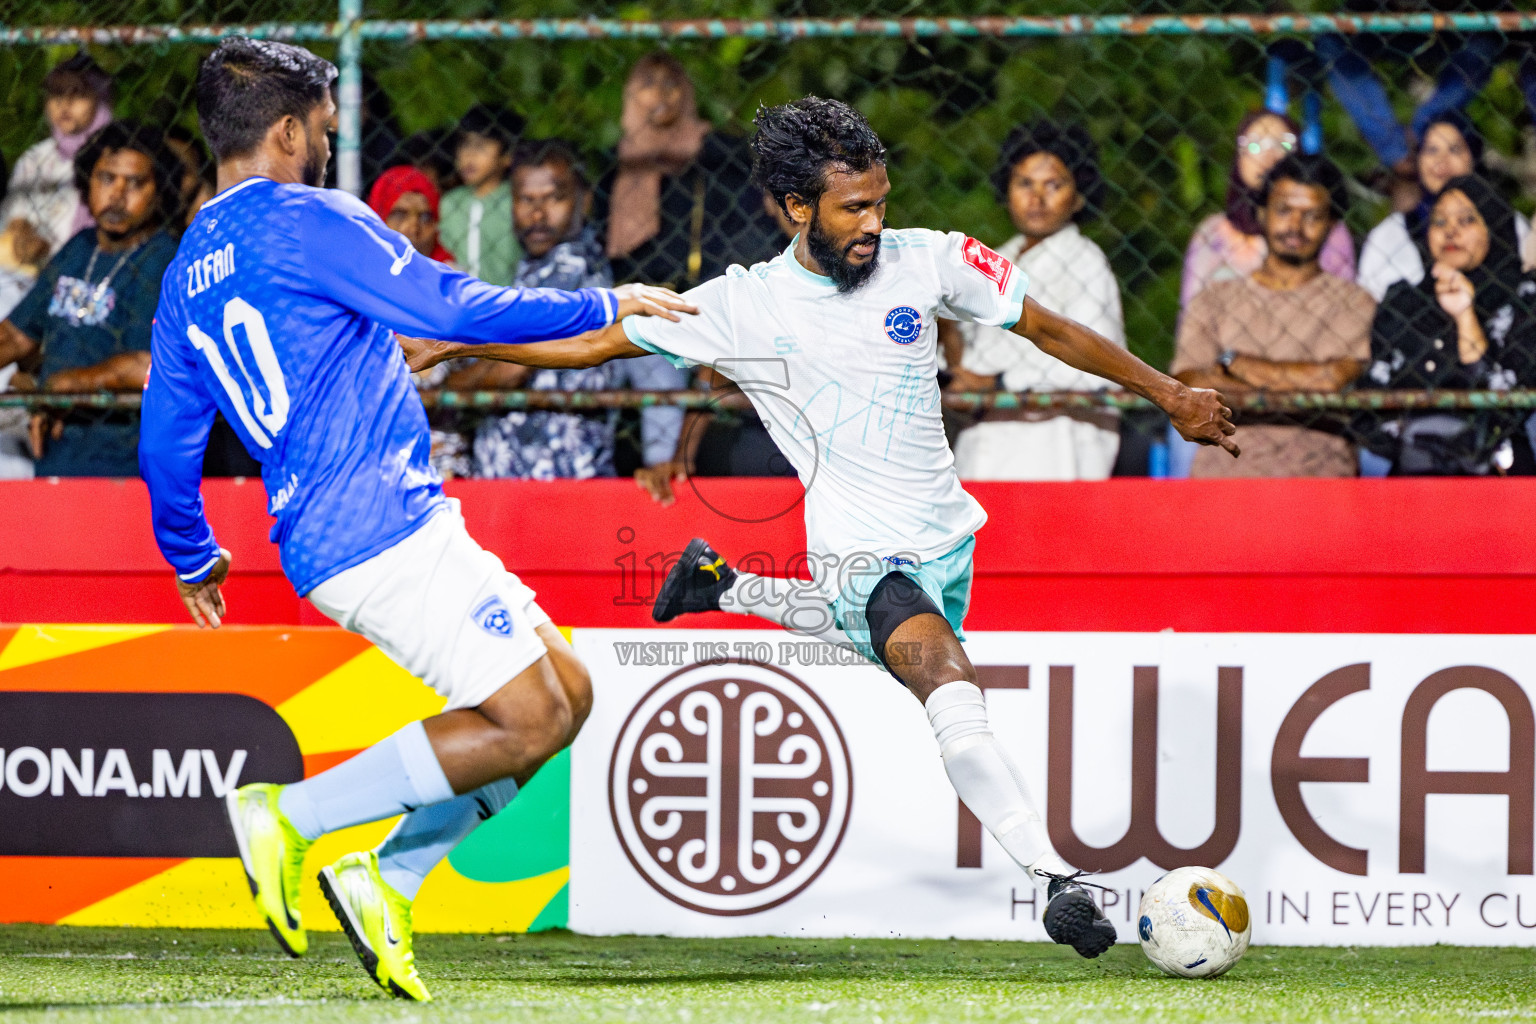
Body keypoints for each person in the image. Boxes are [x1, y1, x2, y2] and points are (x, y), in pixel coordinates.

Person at [402, 96, 1239, 962]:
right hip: (858, 553)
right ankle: (1055, 877)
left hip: (948, 538)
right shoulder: (744, 303)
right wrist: (458, 341)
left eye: (881, 202)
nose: (875, 223)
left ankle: (723, 586)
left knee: (879, 645)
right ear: (798, 208)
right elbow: (598, 339)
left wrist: (1169, 393)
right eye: (854, 208)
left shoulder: (935, 260)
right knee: (945, 684)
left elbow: (1051, 328)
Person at [139, 38, 690, 1001]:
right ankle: (293, 814)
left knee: (568, 691)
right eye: (320, 127)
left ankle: (384, 879)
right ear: (283, 129)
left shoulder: (187, 269)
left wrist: (193, 556)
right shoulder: (309, 219)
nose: (327, 141)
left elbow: (165, 444)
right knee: (525, 721)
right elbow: (448, 298)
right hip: (378, 524)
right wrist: (607, 301)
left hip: (344, 532)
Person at [447, 139, 685, 480]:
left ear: (583, 201)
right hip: (521, 479)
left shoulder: (571, 269)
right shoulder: (530, 270)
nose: (538, 214)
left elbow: (509, 370)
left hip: (558, 480)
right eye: (526, 200)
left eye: (554, 198)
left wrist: (446, 383)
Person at [1173, 154, 1375, 478]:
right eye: (1283, 211)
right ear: (1261, 214)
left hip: (1319, 475)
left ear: (1333, 225)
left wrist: (1235, 364)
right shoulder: (1214, 299)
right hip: (1223, 476)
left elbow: (1332, 381)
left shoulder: (1355, 303)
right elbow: (1191, 385)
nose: (1295, 226)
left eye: (1311, 215)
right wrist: (1298, 387)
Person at [945, 120, 1126, 480]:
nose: (1037, 198)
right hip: (984, 445)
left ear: (1079, 196)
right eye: (1024, 183)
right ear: (1006, 189)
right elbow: (964, 361)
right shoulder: (993, 260)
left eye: (1053, 185)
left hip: (1054, 447)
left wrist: (997, 383)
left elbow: (1094, 366)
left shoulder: (1086, 262)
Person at [0, 121, 181, 477]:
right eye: (106, 178)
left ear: (159, 192)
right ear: (87, 181)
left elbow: (152, 364)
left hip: (126, 459)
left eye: (135, 183)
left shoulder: (165, 259)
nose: (117, 195)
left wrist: (71, 383)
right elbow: (15, 336)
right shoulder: (79, 248)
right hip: (57, 454)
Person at [1364, 175, 1536, 475]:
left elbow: (1504, 405)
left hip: (1496, 470)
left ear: (1493, 227)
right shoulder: (1402, 302)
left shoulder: (1523, 299)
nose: (1450, 232)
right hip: (1416, 467)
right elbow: (1373, 399)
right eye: (1439, 222)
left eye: (1467, 220)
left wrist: (1465, 316)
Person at [596, 52, 781, 290]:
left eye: (671, 83)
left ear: (685, 91)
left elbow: (744, 223)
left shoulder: (719, 152)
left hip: (709, 284)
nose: (661, 93)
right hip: (633, 288)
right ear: (631, 95)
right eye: (648, 84)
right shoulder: (616, 162)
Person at [1181, 109, 1355, 310]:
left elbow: (1343, 312)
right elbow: (1191, 313)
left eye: (1283, 144)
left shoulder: (1329, 229)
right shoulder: (1211, 234)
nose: (1269, 155)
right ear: (1239, 159)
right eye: (1254, 145)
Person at [1357, 111, 1530, 302]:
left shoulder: (1509, 224)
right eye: (1431, 150)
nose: (1442, 161)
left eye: (1455, 150)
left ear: (1474, 157)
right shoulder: (1389, 234)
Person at [0, 53, 114, 271]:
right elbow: (14, 217)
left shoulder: (114, 160)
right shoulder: (35, 158)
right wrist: (22, 234)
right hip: (26, 269)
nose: (65, 103)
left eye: (78, 93)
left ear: (100, 97)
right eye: (56, 93)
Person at [438, 104, 522, 286]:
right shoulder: (450, 202)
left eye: (481, 146)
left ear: (507, 156)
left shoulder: (516, 201)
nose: (469, 155)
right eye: (465, 144)